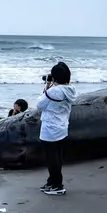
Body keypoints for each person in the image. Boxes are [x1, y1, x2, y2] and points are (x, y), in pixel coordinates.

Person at [36, 61, 77, 195]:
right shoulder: (70, 90)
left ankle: (57, 185)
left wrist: (47, 88)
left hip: (50, 128)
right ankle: (52, 181)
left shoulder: (54, 91)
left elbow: (40, 105)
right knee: (57, 156)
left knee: (51, 158)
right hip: (62, 126)